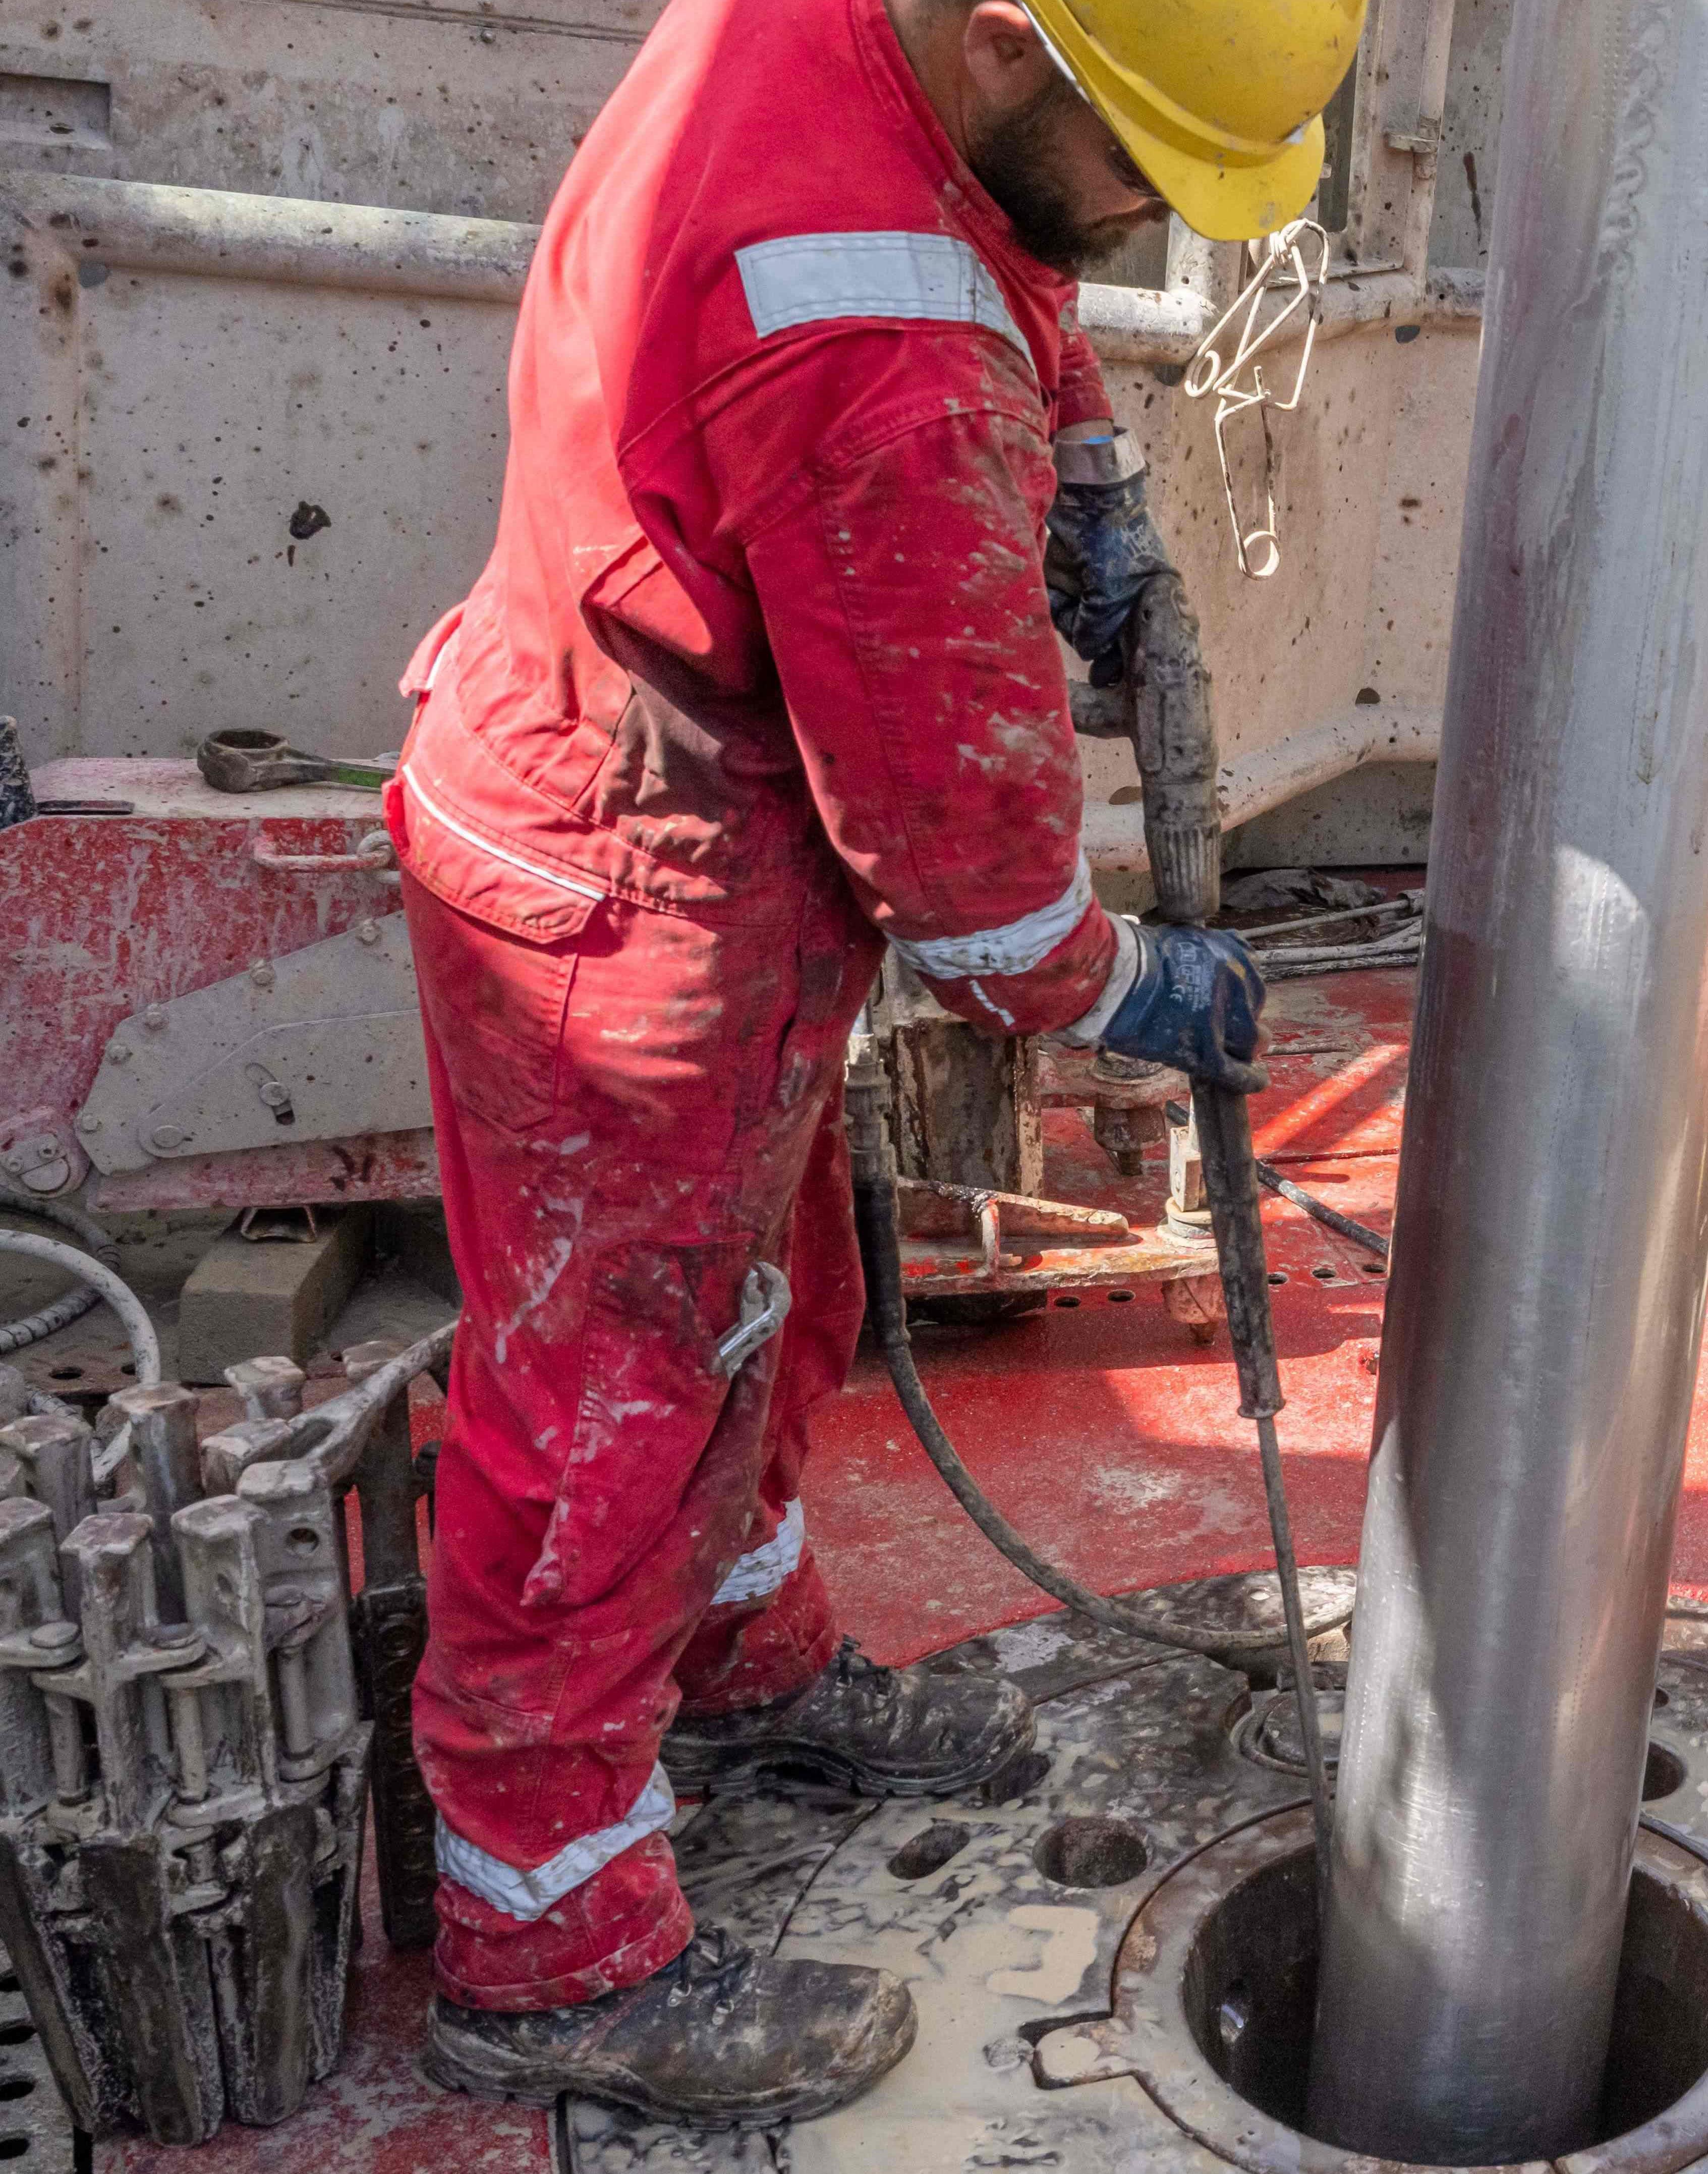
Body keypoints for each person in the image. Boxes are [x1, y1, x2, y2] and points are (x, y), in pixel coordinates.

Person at [382, 0, 1342, 2126]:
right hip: (634, 877)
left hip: (689, 813)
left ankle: (735, 1665)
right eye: (1145, 169)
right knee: (615, 1392)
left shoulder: (861, 59)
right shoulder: (872, 338)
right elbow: (965, 863)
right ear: (1021, 46)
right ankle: (546, 1943)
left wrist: (1077, 455)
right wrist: (1114, 986)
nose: (1144, 224)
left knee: (775, 1300)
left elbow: (994, 239)